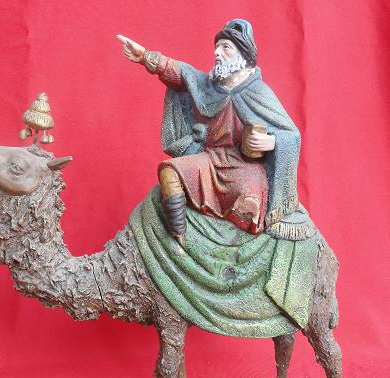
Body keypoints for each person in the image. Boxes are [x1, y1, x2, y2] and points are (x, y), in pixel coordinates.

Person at [117, 19, 314, 246]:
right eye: (217, 47)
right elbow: (181, 72)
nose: (217, 53)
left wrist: (271, 142)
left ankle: (234, 250)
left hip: (245, 168)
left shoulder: (260, 92)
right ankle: (179, 243)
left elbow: (291, 135)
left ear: (243, 55)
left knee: (249, 206)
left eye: (225, 47)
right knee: (169, 173)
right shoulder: (210, 85)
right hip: (209, 160)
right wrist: (145, 57)